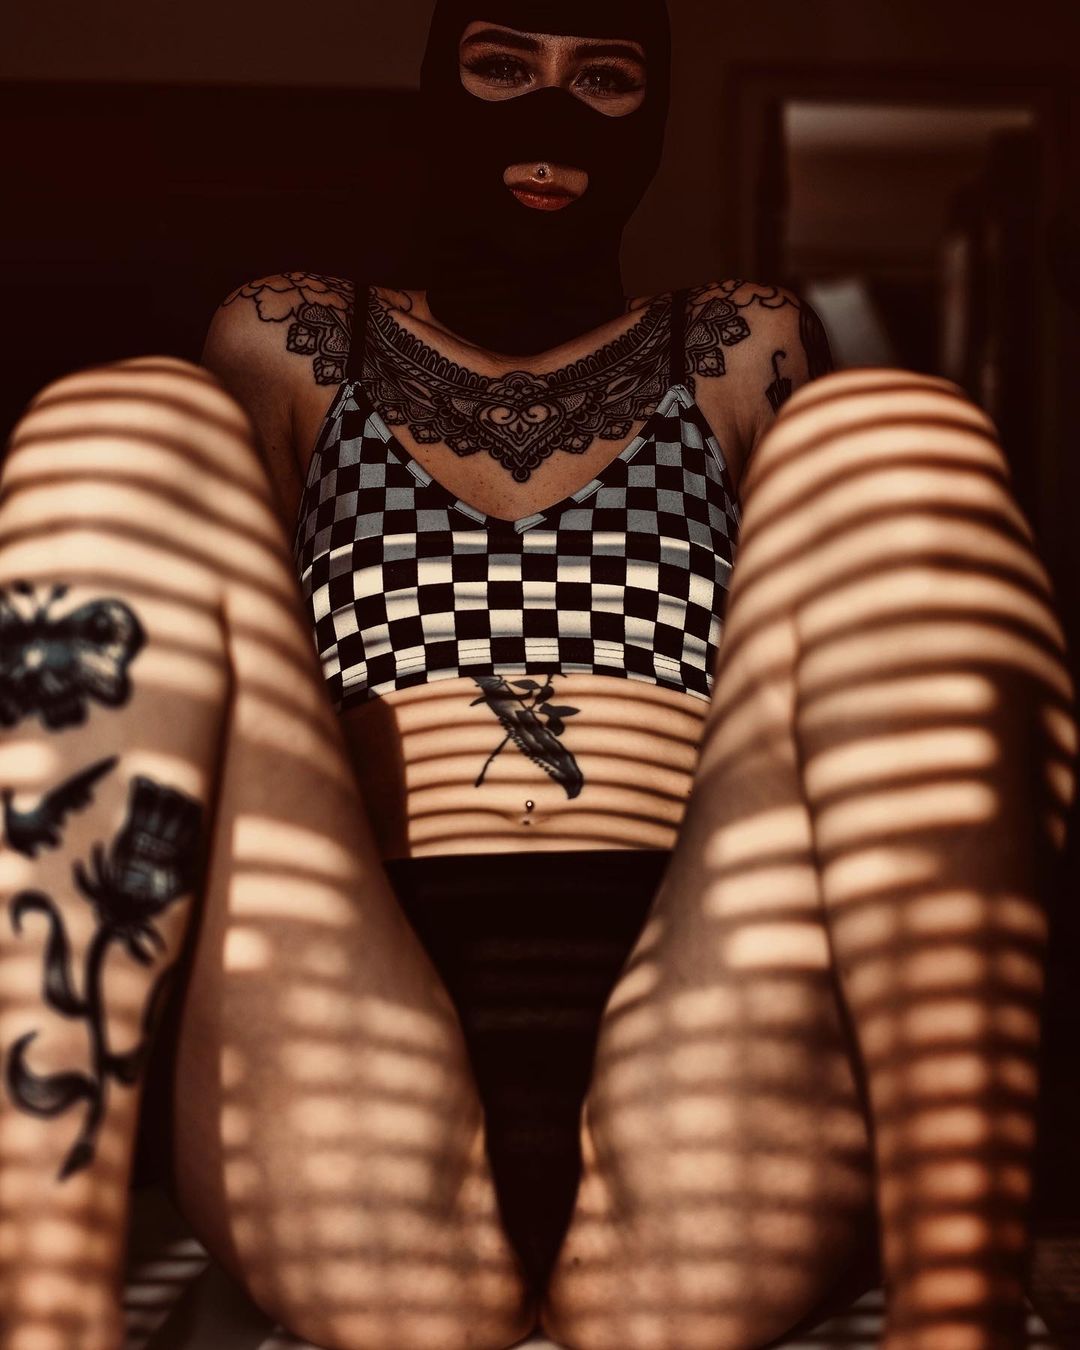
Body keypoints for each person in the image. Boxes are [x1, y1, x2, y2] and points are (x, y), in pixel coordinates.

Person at [0, 4, 1073, 1350]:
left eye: (604, 79)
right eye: (502, 67)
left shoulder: (740, 344)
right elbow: (191, 657)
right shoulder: (290, 337)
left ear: (656, 114)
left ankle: (959, 1308)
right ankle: (43, 1308)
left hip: (708, 1007)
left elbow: (854, 649)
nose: (552, 117)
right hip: (342, 1016)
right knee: (123, 421)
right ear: (436, 86)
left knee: (896, 427)